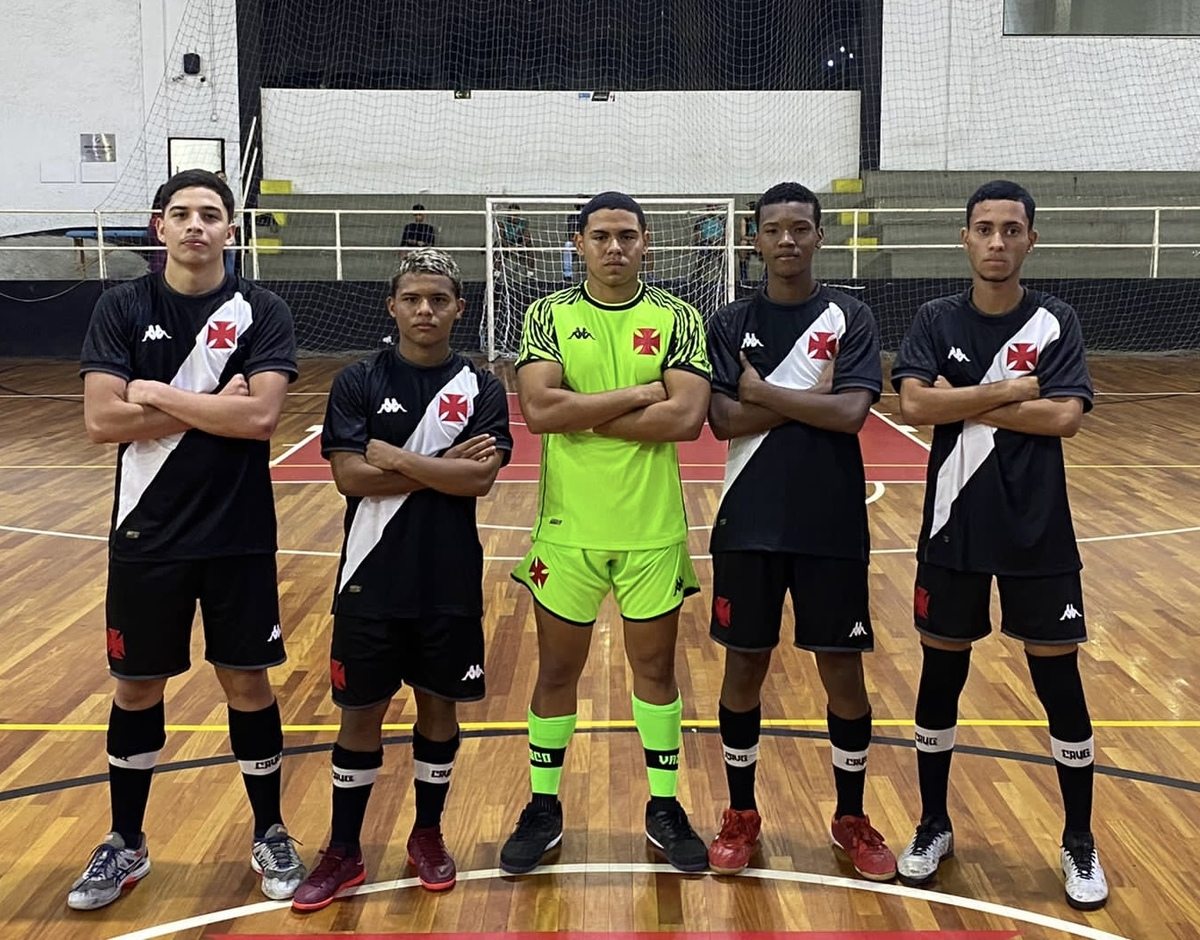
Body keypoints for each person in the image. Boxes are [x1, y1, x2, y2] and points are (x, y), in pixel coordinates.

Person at [73, 168, 305, 910]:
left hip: (237, 532)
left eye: (211, 214)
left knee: (247, 681)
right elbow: (102, 422)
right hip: (147, 531)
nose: (196, 225)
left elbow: (261, 419)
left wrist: (158, 393)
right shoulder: (122, 307)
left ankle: (269, 829)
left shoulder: (261, 309)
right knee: (137, 685)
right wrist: (214, 402)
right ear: (159, 227)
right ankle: (125, 843)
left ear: (231, 230)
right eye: (182, 214)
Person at [891, 179, 1107, 910]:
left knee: (1059, 683)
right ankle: (932, 824)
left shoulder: (1056, 321)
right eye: (983, 228)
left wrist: (969, 395)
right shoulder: (933, 316)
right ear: (964, 238)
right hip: (951, 525)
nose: (996, 241)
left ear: (1030, 241)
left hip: (1038, 528)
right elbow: (915, 405)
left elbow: (1067, 419)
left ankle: (1079, 839)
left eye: (1010, 229)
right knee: (940, 676)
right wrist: (1014, 391)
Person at [291, 248, 511, 910]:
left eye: (438, 299)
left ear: (458, 308)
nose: (425, 309)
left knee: (439, 709)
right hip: (369, 577)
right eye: (413, 298)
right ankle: (342, 849)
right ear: (392, 306)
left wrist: (394, 455)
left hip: (447, 577)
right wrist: (437, 464)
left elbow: (482, 478)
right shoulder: (358, 380)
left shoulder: (483, 388)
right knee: (361, 715)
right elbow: (350, 476)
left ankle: (428, 835)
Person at [499, 191, 712, 874]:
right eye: (600, 236)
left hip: (652, 529)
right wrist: (638, 394)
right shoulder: (548, 314)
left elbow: (684, 420)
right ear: (579, 243)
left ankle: (663, 805)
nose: (614, 247)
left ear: (647, 241)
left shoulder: (678, 316)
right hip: (569, 529)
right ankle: (542, 806)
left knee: (654, 670)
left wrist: (581, 413)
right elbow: (536, 410)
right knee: (558, 669)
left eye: (626, 235)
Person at [703, 182, 895, 882]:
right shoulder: (728, 322)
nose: (788, 240)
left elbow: (852, 416)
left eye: (800, 228)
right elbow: (721, 422)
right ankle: (741, 813)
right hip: (748, 522)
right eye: (775, 229)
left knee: (842, 672)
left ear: (819, 236)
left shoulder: (851, 314)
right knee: (744, 666)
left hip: (831, 522)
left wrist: (762, 393)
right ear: (755, 240)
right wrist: (811, 398)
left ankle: (850, 817)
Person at [737, 200, 758, 284]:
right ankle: (743, 274)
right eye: (751, 209)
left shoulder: (762, 220)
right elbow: (743, 235)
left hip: (760, 241)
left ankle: (766, 275)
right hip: (750, 240)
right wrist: (752, 239)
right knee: (743, 243)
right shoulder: (745, 220)